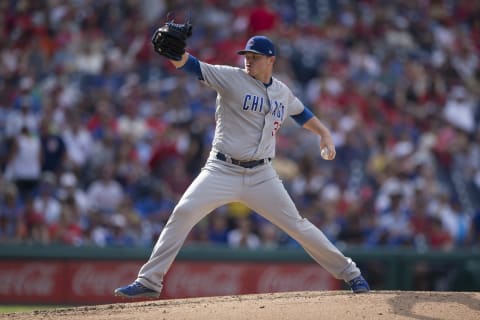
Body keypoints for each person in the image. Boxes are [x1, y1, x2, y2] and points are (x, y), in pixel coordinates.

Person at [115, 34, 370, 298]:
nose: (248, 61)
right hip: (221, 169)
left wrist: (324, 134)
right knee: (183, 213)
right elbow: (192, 65)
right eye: (246, 56)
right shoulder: (231, 77)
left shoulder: (282, 91)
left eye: (255, 57)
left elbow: (301, 113)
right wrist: (175, 55)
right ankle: (149, 280)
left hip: (262, 174)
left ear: (271, 60)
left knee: (298, 225)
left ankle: (352, 274)